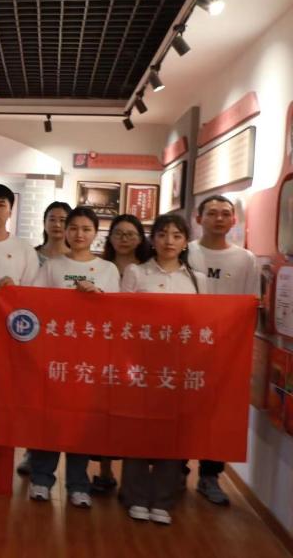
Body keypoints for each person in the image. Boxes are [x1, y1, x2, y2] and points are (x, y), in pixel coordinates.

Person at [29, 207, 121, 508]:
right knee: (51, 417)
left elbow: (118, 311)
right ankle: (41, 479)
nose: (79, 234)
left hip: (90, 356)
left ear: (95, 233)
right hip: (55, 353)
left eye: (86, 229)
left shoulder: (108, 269)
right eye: (74, 228)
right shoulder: (51, 266)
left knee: (81, 421)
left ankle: (78, 484)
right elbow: (35, 302)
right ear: (65, 231)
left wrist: (98, 295)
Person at [119, 213, 207, 526]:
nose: (169, 241)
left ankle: (163, 499)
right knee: (137, 430)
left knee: (173, 432)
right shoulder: (136, 272)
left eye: (177, 235)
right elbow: (122, 319)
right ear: (152, 239)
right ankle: (135, 495)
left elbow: (204, 323)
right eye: (162, 234)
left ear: (185, 242)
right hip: (140, 365)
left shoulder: (197, 279)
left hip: (179, 366)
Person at [187, 195, 260, 506]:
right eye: (212, 213)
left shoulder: (246, 259)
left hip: (225, 350)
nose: (219, 219)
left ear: (234, 220)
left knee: (218, 413)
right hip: (186, 345)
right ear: (198, 218)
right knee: (183, 409)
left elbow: (250, 305)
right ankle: (176, 469)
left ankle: (210, 476)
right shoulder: (186, 251)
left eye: (225, 214)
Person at [92, 213, 152, 492]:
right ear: (110, 238)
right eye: (118, 233)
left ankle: (134, 475)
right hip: (104, 346)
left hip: (140, 349)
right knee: (105, 410)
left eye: (130, 234)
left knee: (134, 412)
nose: (124, 239)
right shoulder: (100, 267)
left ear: (141, 239)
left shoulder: (148, 270)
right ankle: (104, 472)